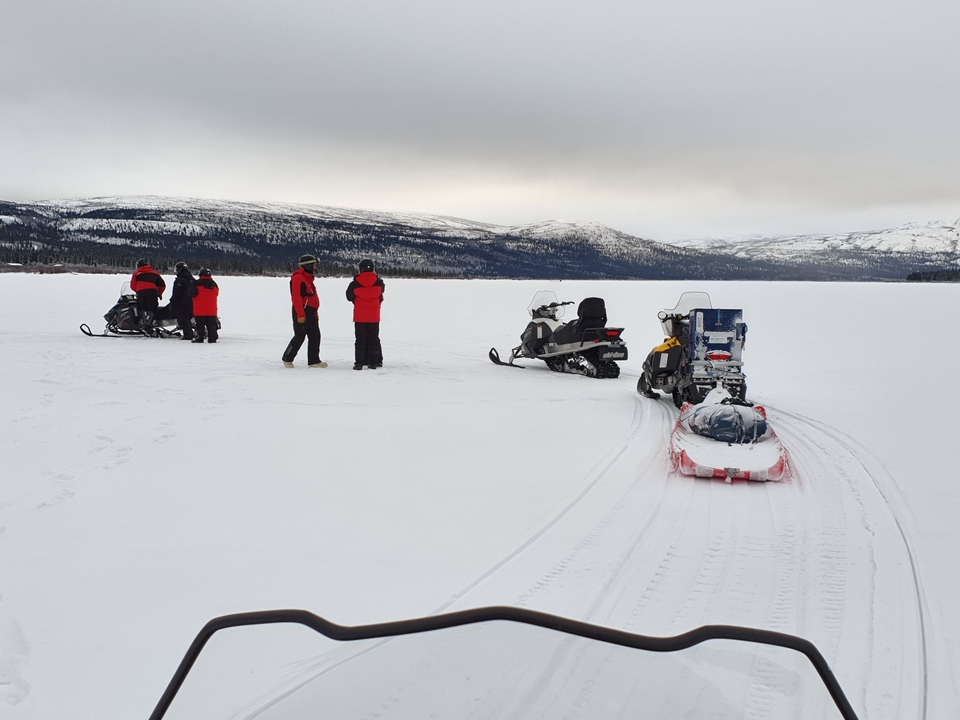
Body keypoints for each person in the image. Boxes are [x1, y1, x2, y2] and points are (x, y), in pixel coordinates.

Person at [282, 254, 328, 368]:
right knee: (299, 337)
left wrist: (315, 313)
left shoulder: (308, 278)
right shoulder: (298, 278)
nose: (315, 267)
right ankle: (287, 358)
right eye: (314, 265)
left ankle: (314, 361)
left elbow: (311, 297)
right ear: (308, 266)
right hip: (302, 312)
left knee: (315, 336)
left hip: (311, 312)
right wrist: (300, 314)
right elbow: (296, 297)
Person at [345, 258, 384, 370]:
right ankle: (374, 363)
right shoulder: (380, 283)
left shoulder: (354, 284)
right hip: (374, 316)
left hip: (360, 316)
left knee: (360, 340)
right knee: (374, 339)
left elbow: (349, 297)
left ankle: (359, 363)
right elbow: (380, 297)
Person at [130, 258, 166, 328]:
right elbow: (162, 285)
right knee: (152, 308)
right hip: (152, 292)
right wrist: (159, 293)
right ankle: (149, 323)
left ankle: (145, 323)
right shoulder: (155, 273)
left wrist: (138, 291)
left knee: (143, 308)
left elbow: (133, 286)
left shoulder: (136, 274)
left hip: (141, 293)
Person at [188, 269, 219, 343]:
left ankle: (200, 337)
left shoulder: (197, 283)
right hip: (212, 310)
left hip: (200, 310)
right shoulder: (214, 284)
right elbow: (217, 293)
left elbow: (190, 293)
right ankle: (212, 338)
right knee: (211, 325)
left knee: (200, 325)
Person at [169, 261, 196, 340]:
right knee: (188, 317)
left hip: (182, 302)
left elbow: (177, 292)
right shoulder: (192, 279)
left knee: (183, 318)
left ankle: (188, 335)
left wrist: (172, 301)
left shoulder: (180, 280)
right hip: (192, 301)